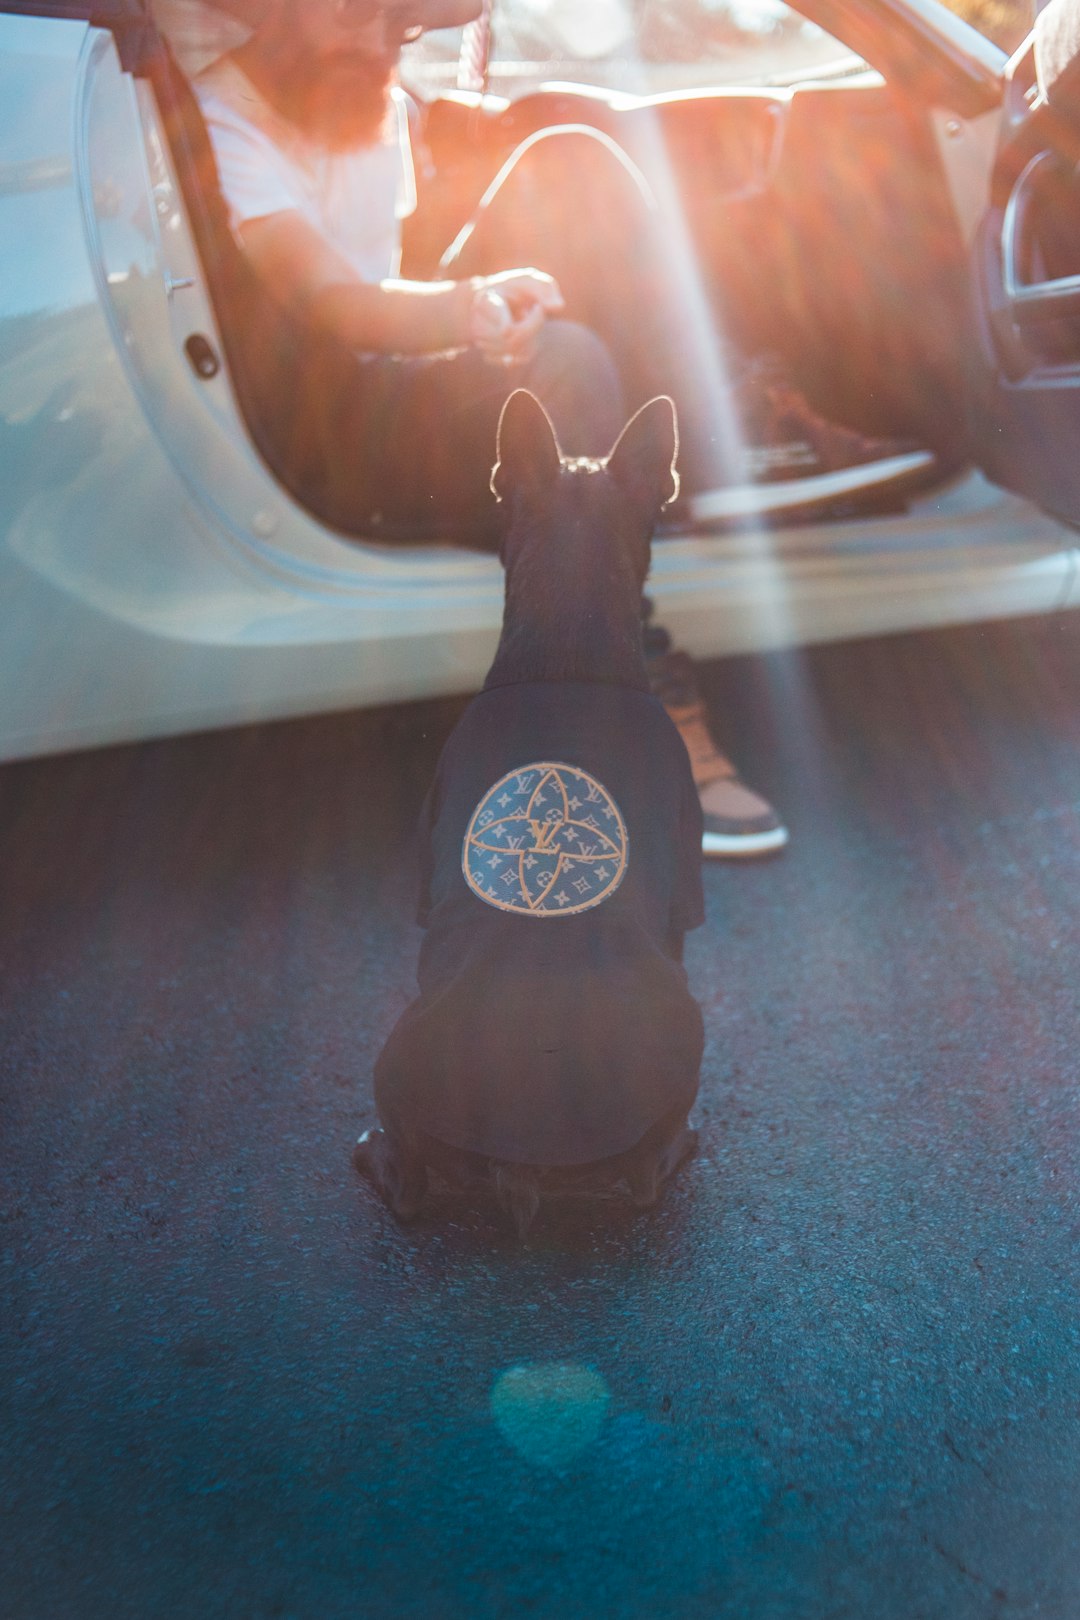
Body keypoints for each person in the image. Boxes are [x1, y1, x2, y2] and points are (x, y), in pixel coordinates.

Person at [165, 0, 933, 855]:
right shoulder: (221, 119)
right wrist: (471, 310)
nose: (382, 41)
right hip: (333, 416)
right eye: (358, 17)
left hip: (399, 372)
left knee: (573, 155)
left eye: (400, 25)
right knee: (565, 359)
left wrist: (486, 300)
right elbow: (329, 300)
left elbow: (399, 249)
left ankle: (734, 425)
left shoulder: (365, 84)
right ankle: (627, 676)